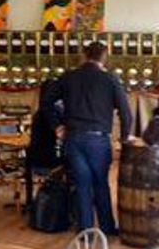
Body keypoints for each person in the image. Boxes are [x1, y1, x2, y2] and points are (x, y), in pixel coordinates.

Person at [42, 41, 132, 236]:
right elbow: (126, 113)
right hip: (98, 139)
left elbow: (46, 102)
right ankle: (107, 228)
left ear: (84, 56)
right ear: (104, 57)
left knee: (82, 185)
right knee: (100, 183)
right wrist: (124, 138)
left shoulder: (69, 77)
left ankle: (86, 232)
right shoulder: (110, 79)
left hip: (74, 138)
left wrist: (57, 125)